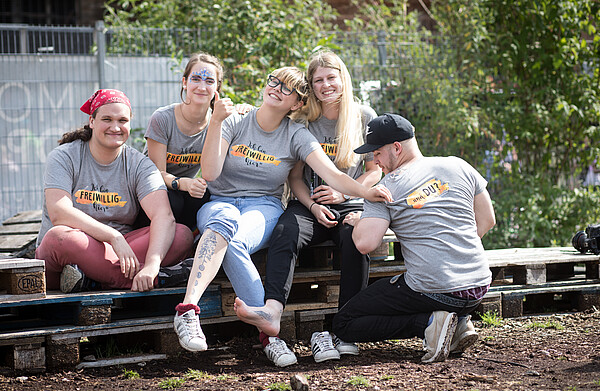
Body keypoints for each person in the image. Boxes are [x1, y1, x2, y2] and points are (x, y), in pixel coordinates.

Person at [171, 67, 393, 367]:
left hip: (263, 205)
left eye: (286, 88)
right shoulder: (235, 119)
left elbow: (331, 174)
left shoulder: (296, 134)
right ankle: (189, 311)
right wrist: (217, 123)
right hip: (221, 200)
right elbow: (209, 173)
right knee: (220, 221)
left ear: (297, 104)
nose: (276, 88)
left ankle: (270, 331)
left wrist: (367, 194)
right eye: (273, 82)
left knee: (234, 242)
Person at [234, 51, 381, 364]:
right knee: (285, 230)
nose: (326, 85)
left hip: (351, 203)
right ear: (311, 87)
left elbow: (375, 169)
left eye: (331, 78)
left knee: (355, 240)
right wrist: (313, 206)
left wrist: (343, 196)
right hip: (309, 205)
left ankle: (346, 328)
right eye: (318, 81)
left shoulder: (364, 116)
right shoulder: (304, 122)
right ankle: (272, 312)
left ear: (343, 78)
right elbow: (296, 177)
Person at [332, 113, 496, 363]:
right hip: (478, 286)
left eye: (377, 153)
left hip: (434, 290)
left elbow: (364, 243)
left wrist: (361, 220)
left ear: (396, 148)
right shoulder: (458, 164)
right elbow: (487, 221)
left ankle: (429, 324)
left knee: (344, 322)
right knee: (424, 288)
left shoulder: (387, 188)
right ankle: (459, 321)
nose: (375, 162)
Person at [35, 89, 194, 293]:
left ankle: (92, 282)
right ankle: (157, 280)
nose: (115, 127)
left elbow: (163, 216)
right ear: (91, 121)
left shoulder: (139, 165)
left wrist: (153, 264)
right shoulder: (64, 156)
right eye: (107, 119)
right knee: (60, 237)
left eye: (122, 120)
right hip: (71, 252)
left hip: (120, 253)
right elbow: (59, 213)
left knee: (181, 235)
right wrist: (113, 237)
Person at [139, 52, 222, 232]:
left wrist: (243, 108)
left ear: (217, 87)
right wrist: (182, 183)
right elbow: (156, 173)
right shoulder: (162, 118)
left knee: (204, 197)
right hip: (152, 187)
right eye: (196, 79)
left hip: (185, 189)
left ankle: (188, 249)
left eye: (209, 81)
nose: (202, 86)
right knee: (173, 201)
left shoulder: (217, 122)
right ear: (185, 82)